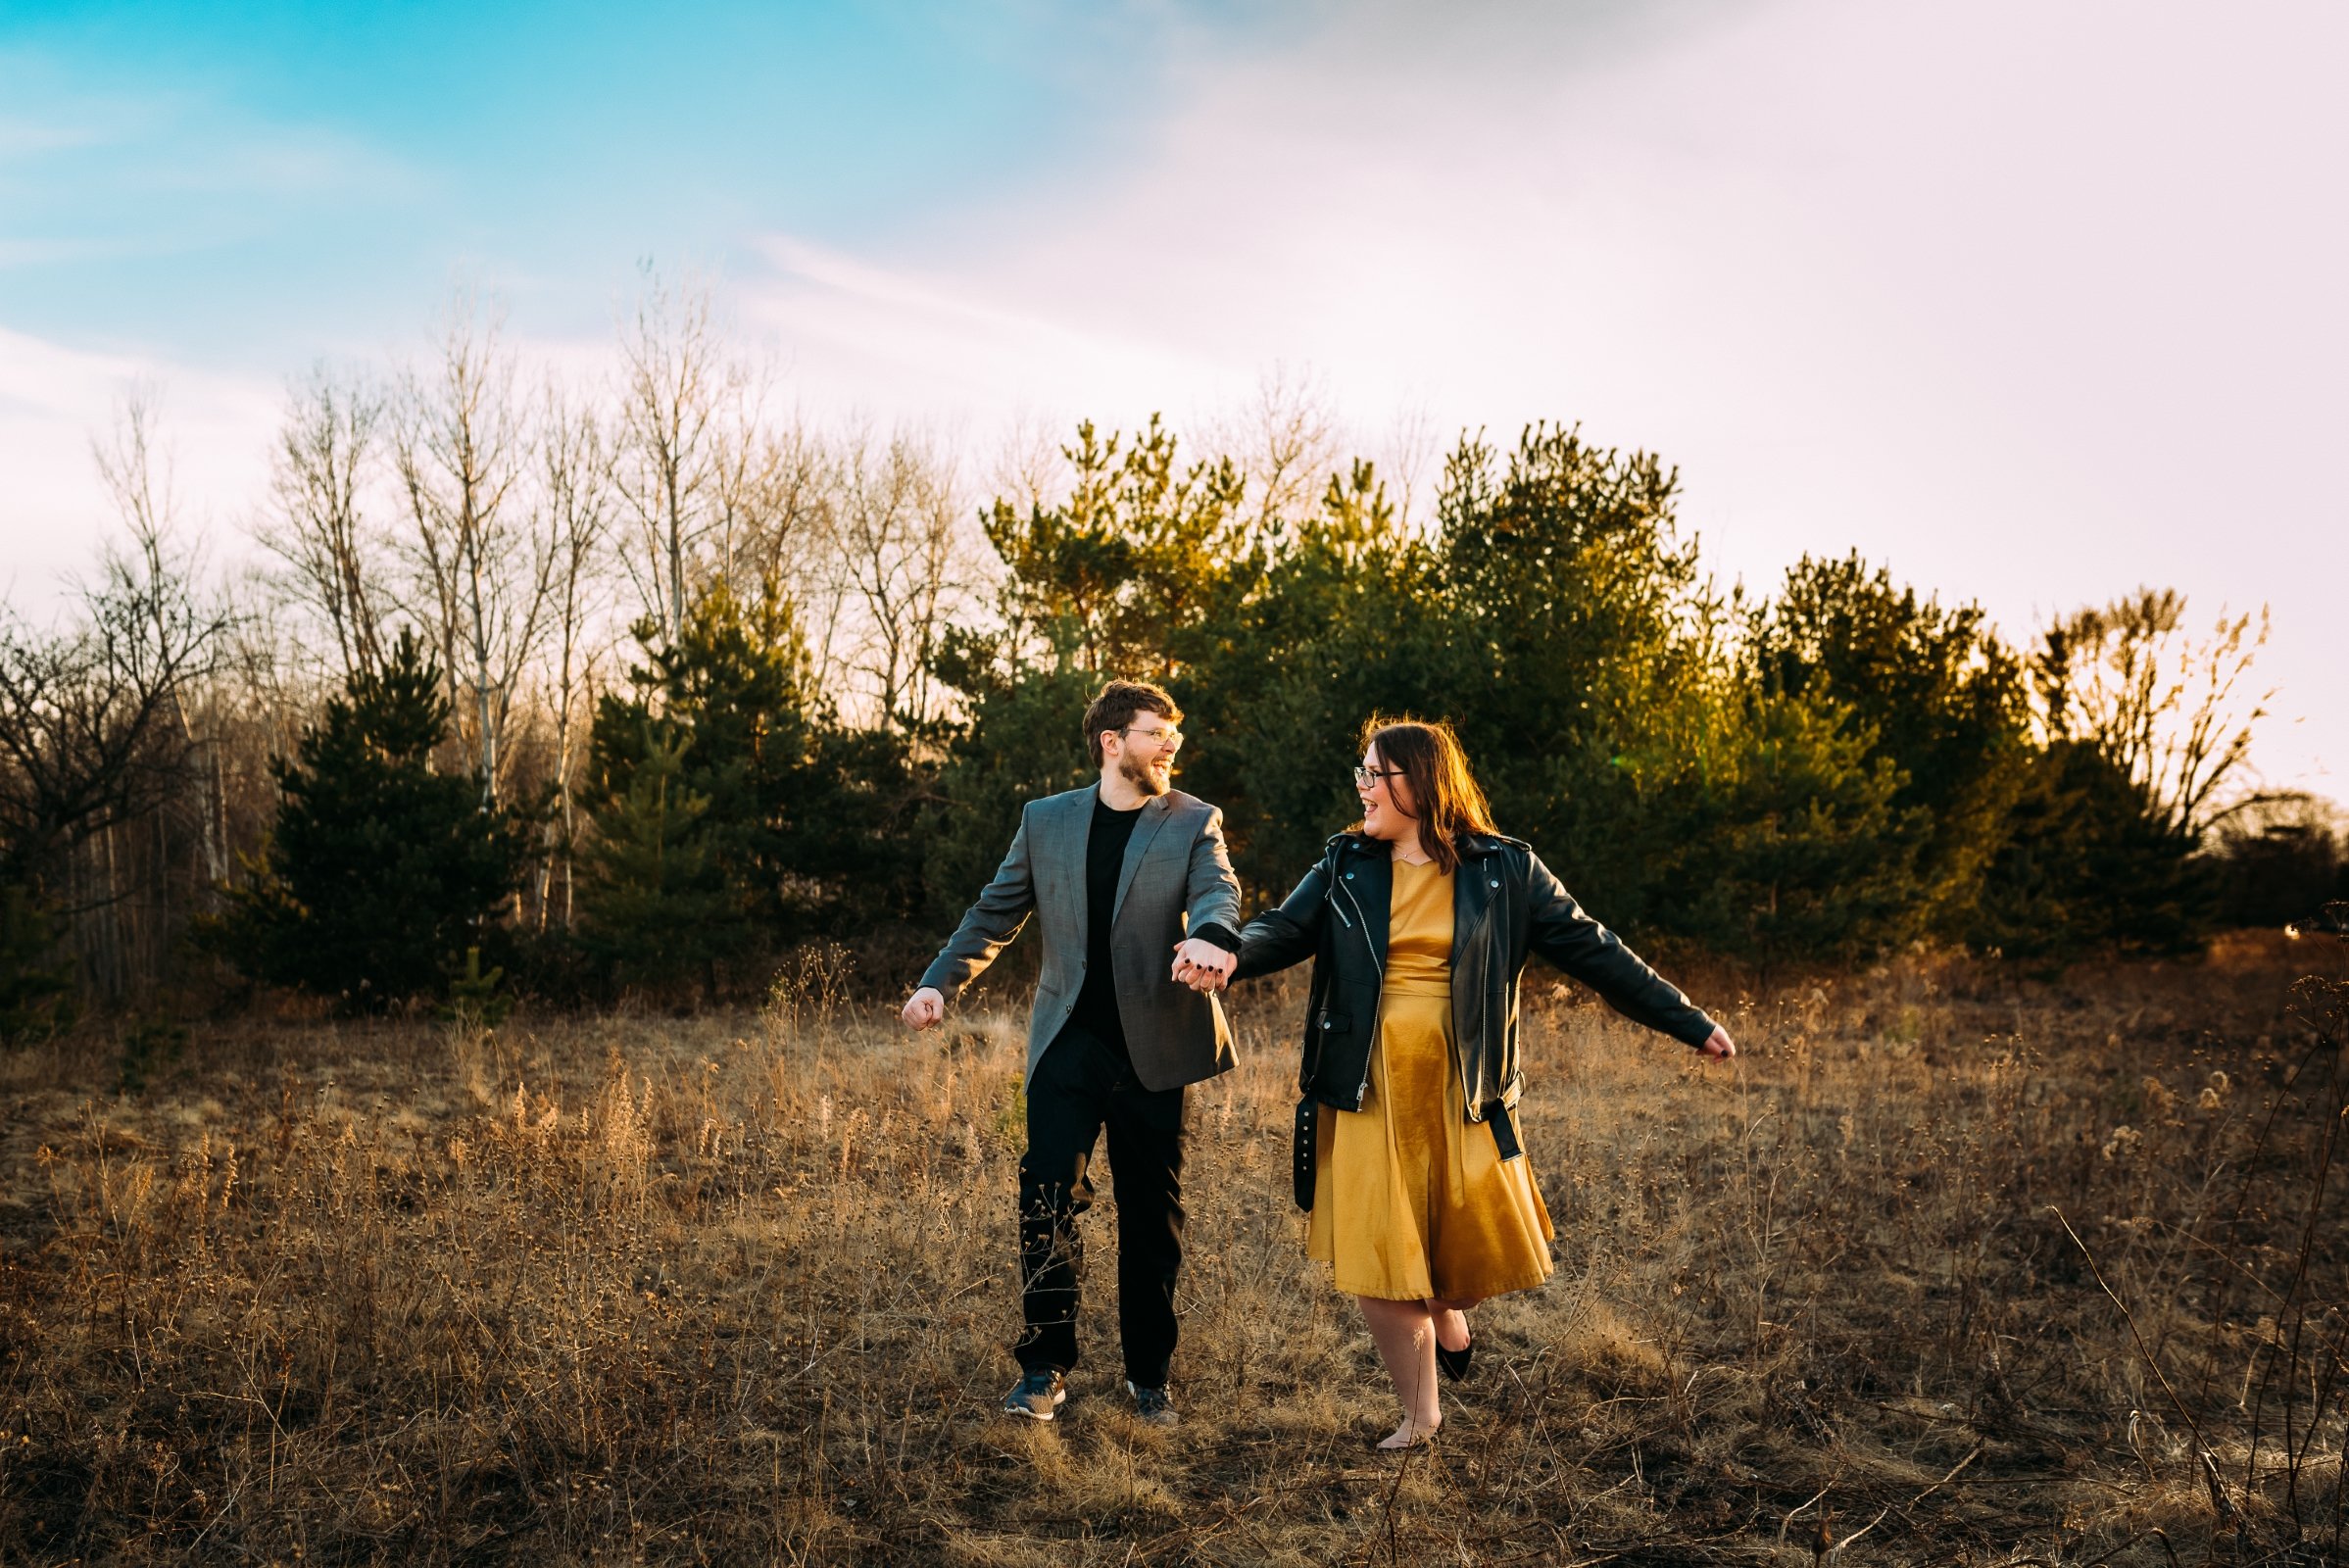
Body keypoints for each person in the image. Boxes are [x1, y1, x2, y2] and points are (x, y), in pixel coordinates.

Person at [1192, 717, 1735, 1449]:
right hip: (1365, 1083)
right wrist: (1226, 954)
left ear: (1420, 780)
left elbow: (1596, 951)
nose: (1361, 788)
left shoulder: (1505, 868)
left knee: (1481, 1248)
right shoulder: (1344, 861)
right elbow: (1280, 930)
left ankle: (1446, 1311)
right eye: (1359, 773)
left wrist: (1687, 1020)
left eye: (1374, 775)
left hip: (1465, 1085)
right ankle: (1420, 1415)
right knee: (1376, 1254)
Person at [904, 679, 1243, 1427]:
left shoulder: (1193, 820)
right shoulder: (1046, 820)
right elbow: (995, 910)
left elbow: (1217, 891)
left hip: (1153, 1047)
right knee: (1047, 1202)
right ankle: (1043, 1367)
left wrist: (1212, 935)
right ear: (1111, 742)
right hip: (1066, 1047)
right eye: (1157, 732)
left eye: (1173, 734)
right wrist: (939, 985)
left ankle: (1148, 1377)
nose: (1170, 745)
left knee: (1152, 1218)